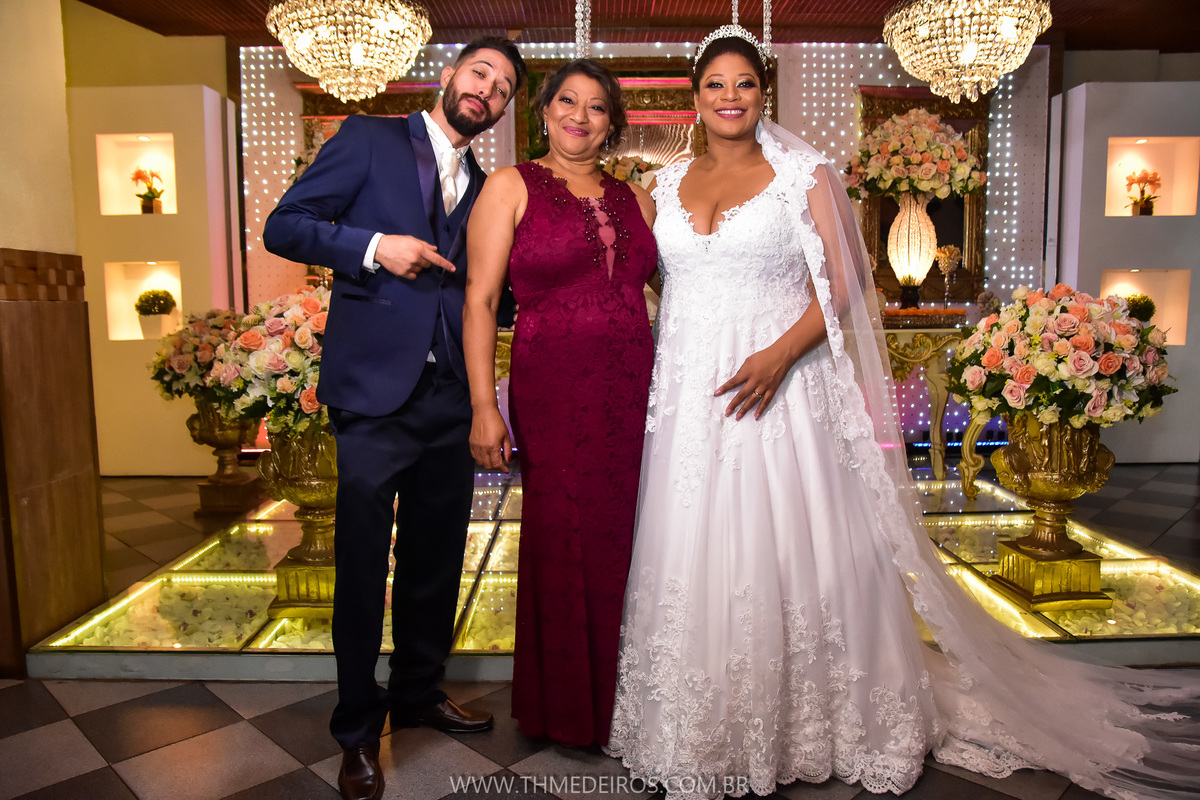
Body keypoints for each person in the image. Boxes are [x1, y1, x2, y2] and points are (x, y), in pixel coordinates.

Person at [606, 27, 1200, 800]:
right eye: (715, 84)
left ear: (762, 93)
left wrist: (779, 353)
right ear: (695, 96)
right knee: (693, 539)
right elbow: (652, 280)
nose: (730, 96)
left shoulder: (805, 175)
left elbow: (850, 281)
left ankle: (811, 718)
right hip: (690, 397)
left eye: (744, 83)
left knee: (786, 536)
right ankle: (698, 722)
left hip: (784, 385)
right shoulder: (660, 187)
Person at [262, 38, 526, 800]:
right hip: (373, 396)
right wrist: (376, 247)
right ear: (450, 75)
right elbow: (286, 225)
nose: (488, 91)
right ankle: (356, 730)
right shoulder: (369, 139)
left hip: (451, 399)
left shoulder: (487, 187)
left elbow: (491, 293)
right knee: (361, 565)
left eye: (503, 88)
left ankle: (418, 691)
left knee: (435, 559)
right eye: (480, 73)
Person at [463, 59, 658, 746]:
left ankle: (632, 700)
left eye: (597, 106)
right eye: (567, 101)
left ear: (612, 124)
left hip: (635, 389)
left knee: (631, 533)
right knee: (563, 534)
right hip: (552, 390)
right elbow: (481, 301)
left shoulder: (641, 200)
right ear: (543, 112)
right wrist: (484, 405)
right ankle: (569, 708)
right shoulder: (509, 186)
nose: (580, 115)